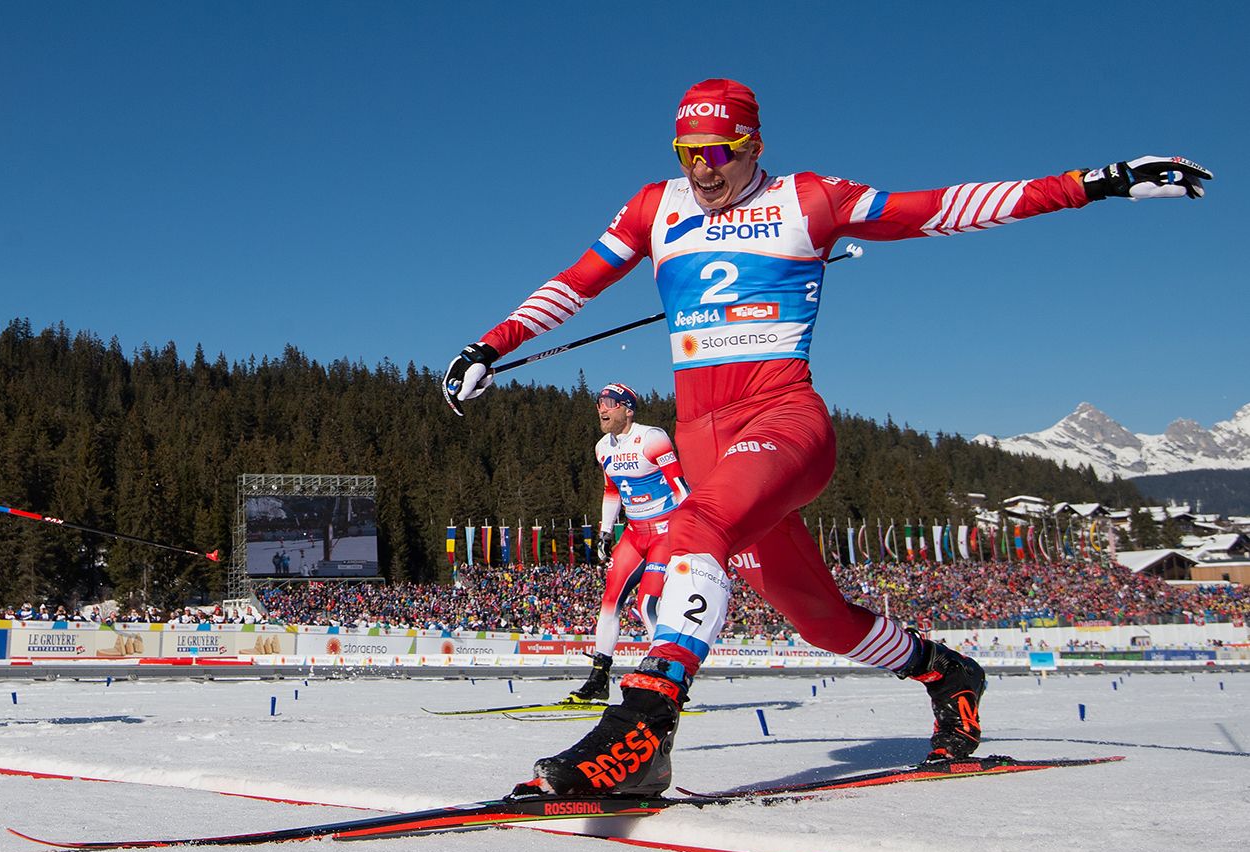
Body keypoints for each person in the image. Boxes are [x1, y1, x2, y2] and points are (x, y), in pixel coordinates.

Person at [443, 78, 1211, 796]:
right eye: (688, 155)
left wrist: (1096, 182)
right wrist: (491, 346)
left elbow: (942, 206)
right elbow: (575, 281)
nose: (704, 171)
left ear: (754, 144)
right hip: (709, 445)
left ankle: (641, 733)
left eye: (720, 153)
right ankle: (947, 675)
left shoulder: (807, 199)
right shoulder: (655, 207)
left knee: (692, 530)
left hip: (781, 420)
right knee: (822, 621)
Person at [563, 382, 690, 704]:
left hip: (665, 531)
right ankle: (598, 678)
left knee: (647, 605)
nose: (601, 409)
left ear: (627, 409)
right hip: (634, 533)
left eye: (609, 403)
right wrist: (605, 531)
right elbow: (612, 490)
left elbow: (679, 486)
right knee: (609, 602)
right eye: (599, 404)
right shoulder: (603, 447)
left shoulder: (652, 438)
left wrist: (691, 530)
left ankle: (668, 679)